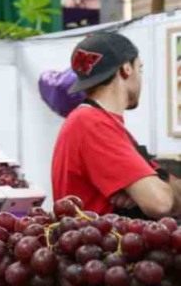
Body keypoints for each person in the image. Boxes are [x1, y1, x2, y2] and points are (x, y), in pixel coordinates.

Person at [51, 31, 180, 218]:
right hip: (100, 237)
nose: (140, 78)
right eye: (140, 69)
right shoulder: (91, 123)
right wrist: (155, 186)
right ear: (126, 68)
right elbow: (160, 203)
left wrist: (156, 183)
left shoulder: (98, 122)